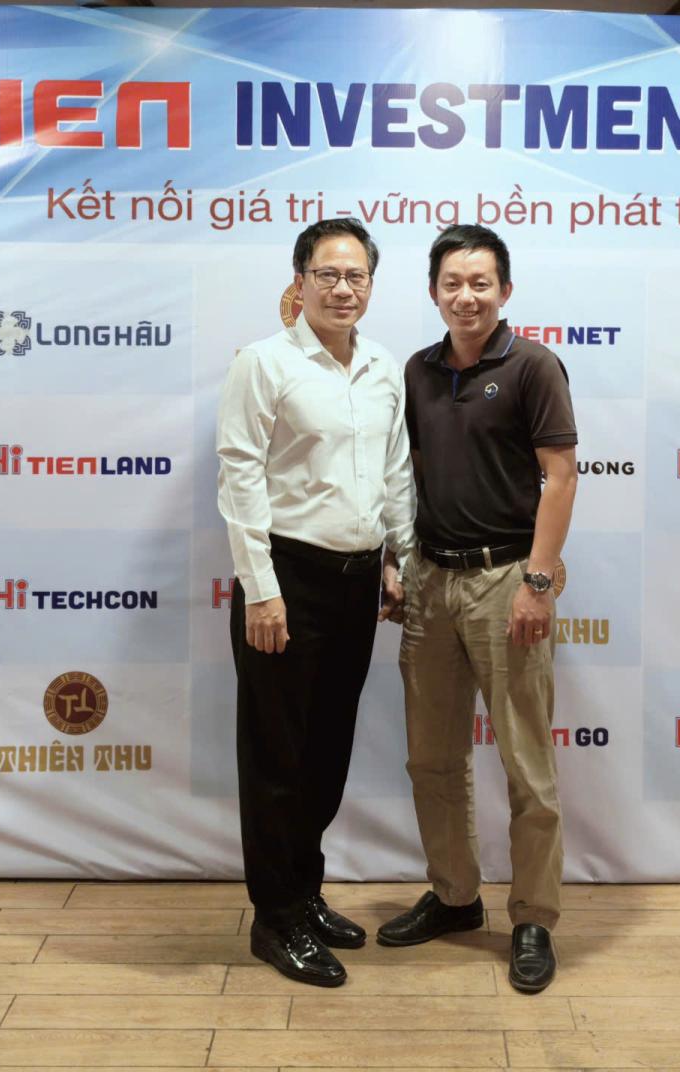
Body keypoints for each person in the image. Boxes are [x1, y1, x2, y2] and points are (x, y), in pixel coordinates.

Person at [379, 224, 577, 994]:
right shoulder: (418, 371)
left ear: (505, 290)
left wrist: (538, 580)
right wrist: (396, 559)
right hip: (431, 579)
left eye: (481, 283)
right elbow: (409, 474)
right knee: (432, 756)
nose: (467, 297)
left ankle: (533, 918)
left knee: (526, 761)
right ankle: (456, 896)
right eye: (453, 284)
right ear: (433, 292)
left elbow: (560, 476)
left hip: (507, 579)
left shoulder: (533, 366)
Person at [216, 218, 414, 987]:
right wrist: (260, 591)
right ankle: (274, 919)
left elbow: (395, 472)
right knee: (277, 756)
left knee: (327, 751)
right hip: (286, 581)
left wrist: (398, 559)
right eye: (326, 274)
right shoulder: (263, 363)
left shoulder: (383, 367)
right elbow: (240, 477)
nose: (341, 288)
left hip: (358, 581)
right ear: (298, 283)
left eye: (355, 275)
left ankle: (304, 893)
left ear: (371, 285)